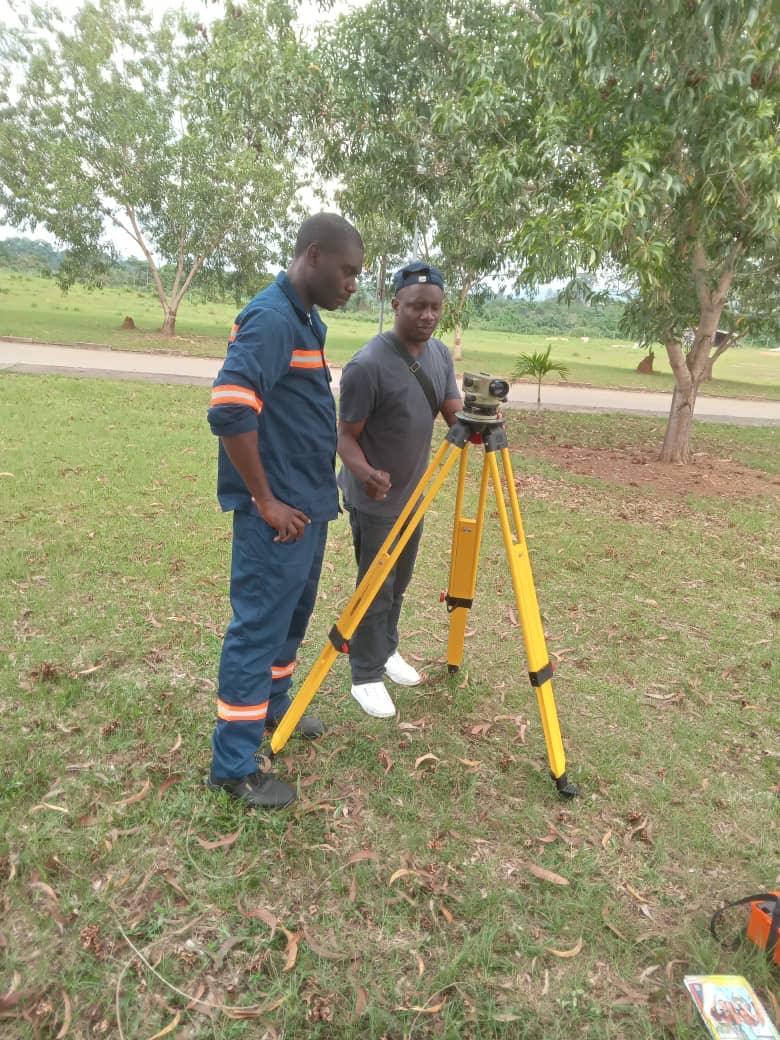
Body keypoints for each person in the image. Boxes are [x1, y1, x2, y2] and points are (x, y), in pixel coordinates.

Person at [206, 213, 364, 809]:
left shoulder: (305, 320)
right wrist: (265, 500)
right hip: (278, 517)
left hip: (309, 508)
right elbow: (228, 408)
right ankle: (234, 765)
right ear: (314, 256)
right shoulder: (272, 318)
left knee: (289, 624)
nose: (353, 283)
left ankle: (277, 713)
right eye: (348, 271)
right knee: (257, 631)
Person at [337, 261, 462, 718]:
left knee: (400, 582)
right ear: (396, 305)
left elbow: (453, 412)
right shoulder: (367, 366)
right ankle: (365, 675)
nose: (427, 316)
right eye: (417, 307)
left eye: (435, 308)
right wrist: (366, 473)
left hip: (415, 493)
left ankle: (385, 651)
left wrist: (481, 420)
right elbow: (344, 436)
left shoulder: (440, 355)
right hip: (374, 498)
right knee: (375, 585)